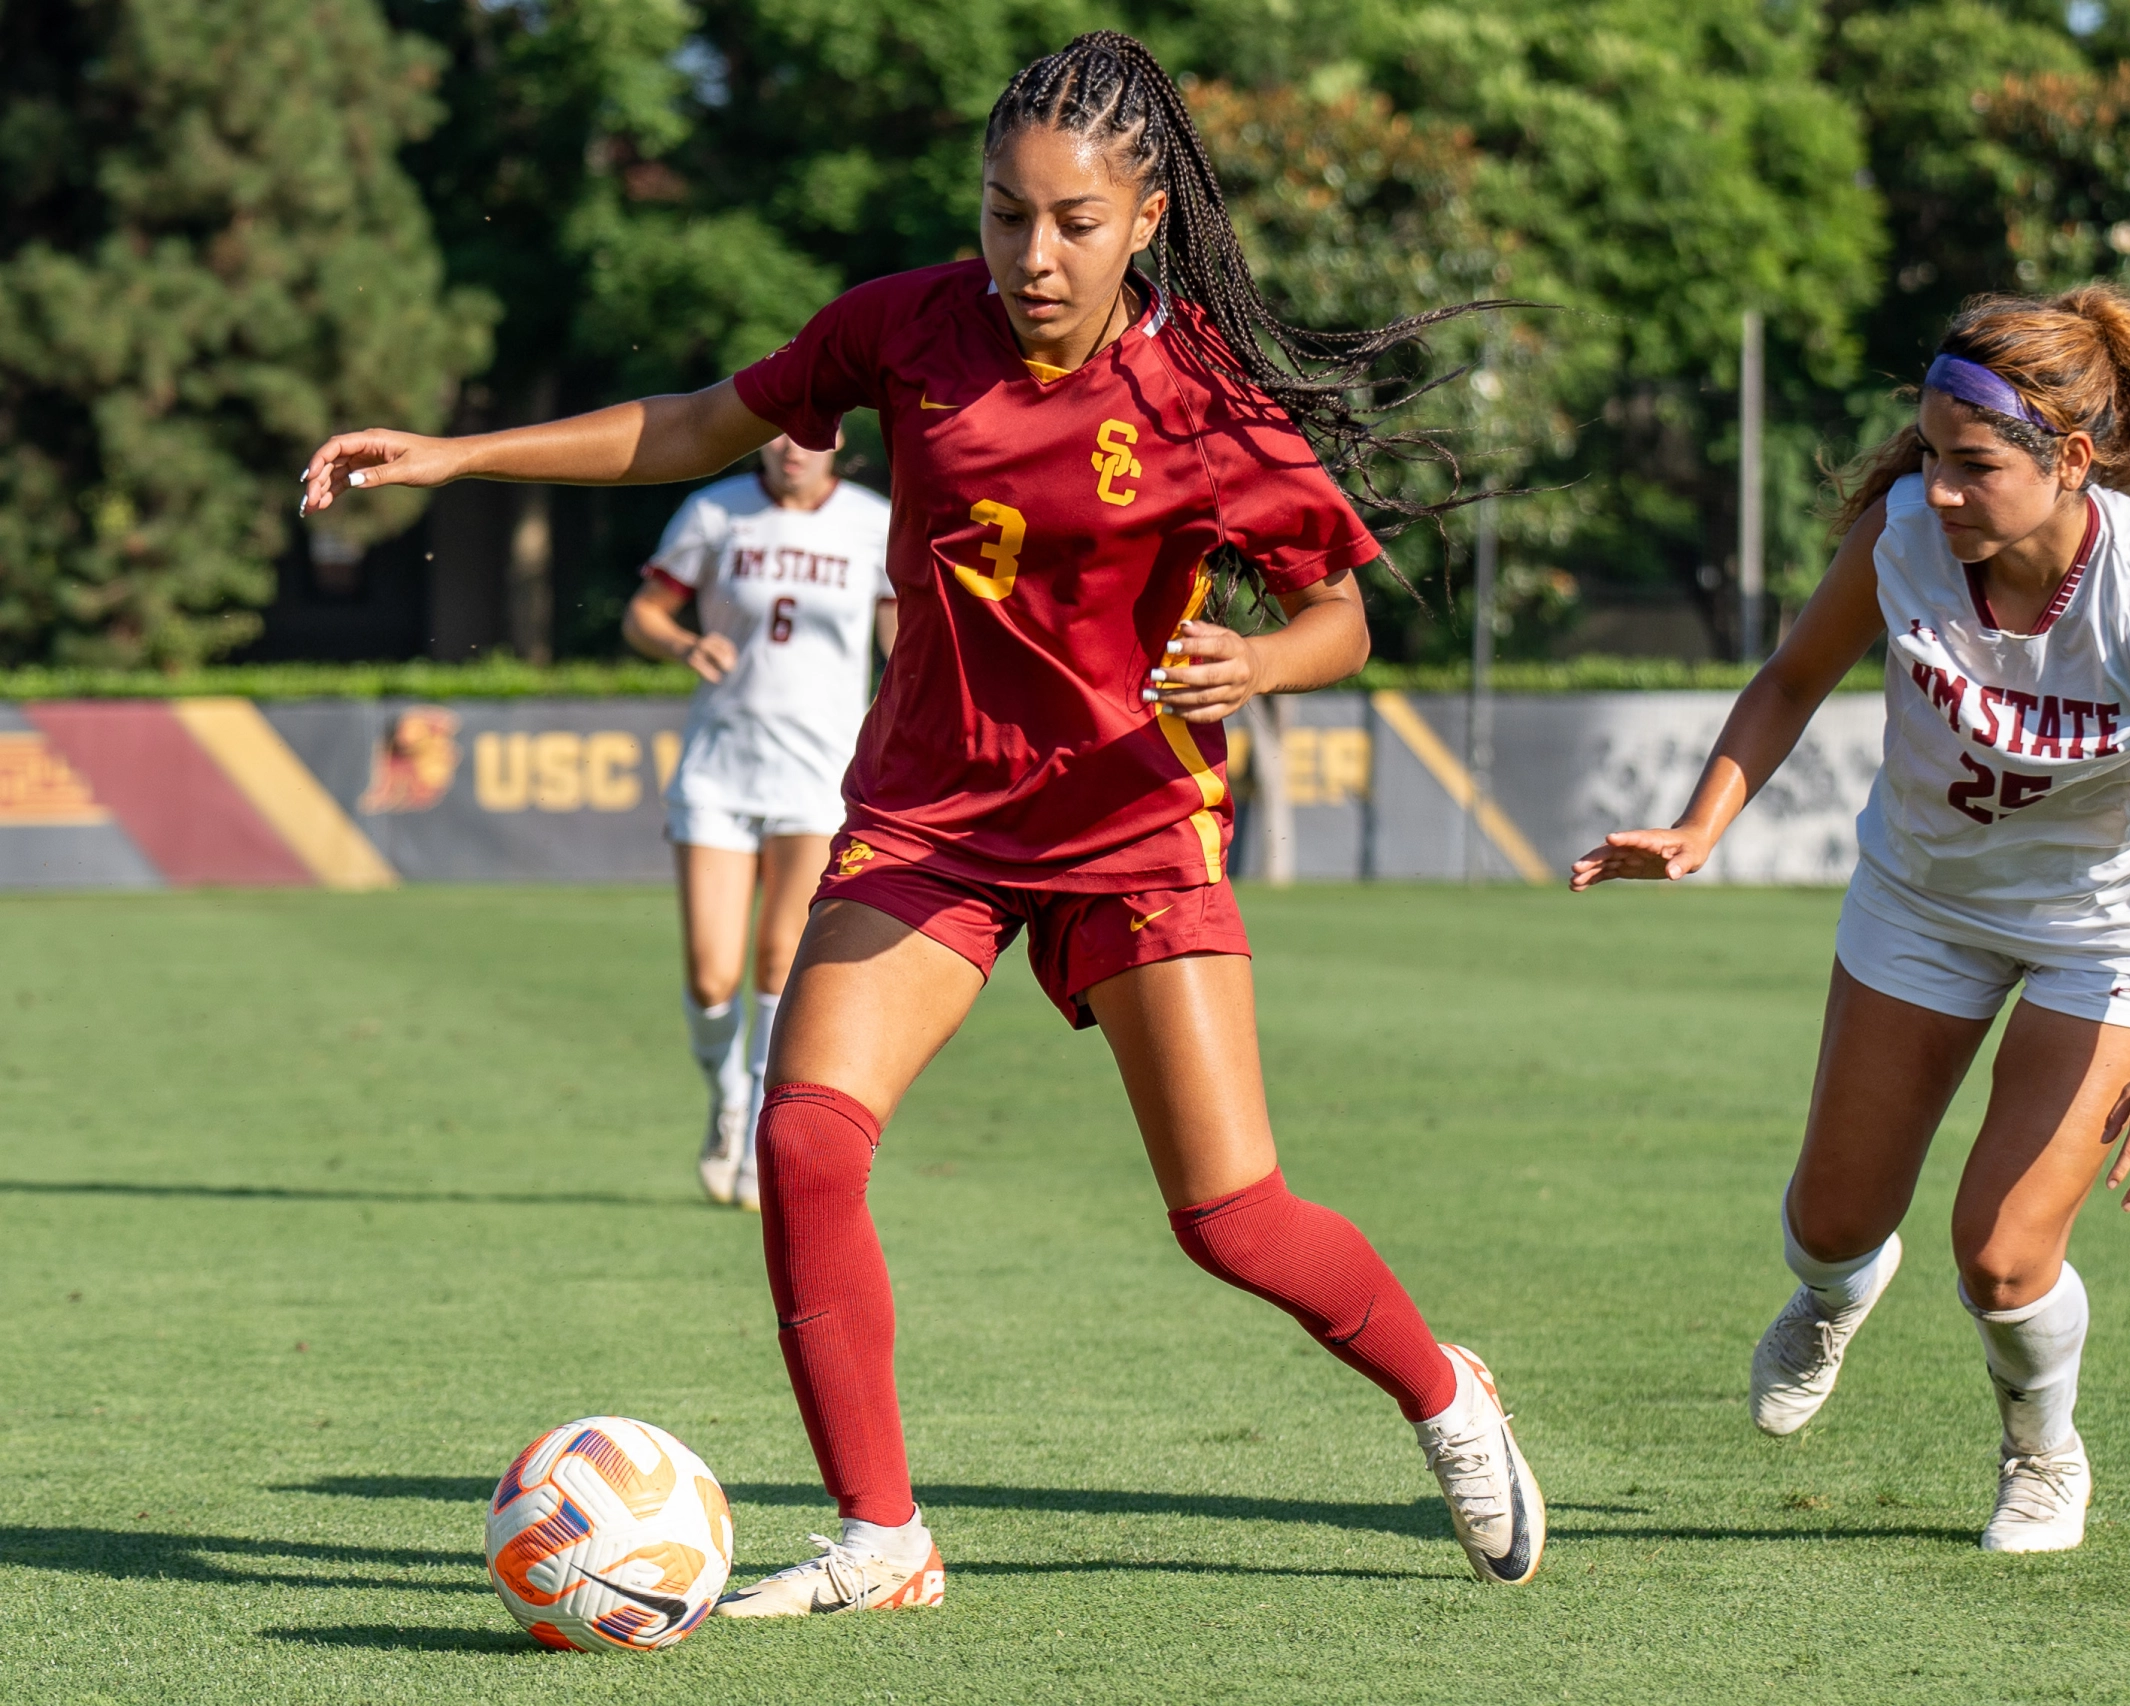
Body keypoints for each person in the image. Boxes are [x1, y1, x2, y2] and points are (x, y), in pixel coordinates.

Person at [300, 30, 1543, 1611]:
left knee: (1232, 1219)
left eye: (1072, 223)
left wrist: (1260, 659)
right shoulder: (901, 329)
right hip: (932, 817)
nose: (1032, 254)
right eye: (1004, 214)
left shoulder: (1207, 399)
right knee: (805, 1133)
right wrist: (455, 452)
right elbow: (694, 428)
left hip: (1134, 824)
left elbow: (1343, 618)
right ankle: (884, 1535)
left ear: (1146, 218)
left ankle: (1447, 1392)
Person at [1573, 287, 2130, 1554]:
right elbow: (1792, 676)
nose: (1938, 490)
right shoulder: (1901, 536)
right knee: (1831, 1220)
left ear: (2071, 460)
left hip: (2113, 928)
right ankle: (1834, 1290)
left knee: (2003, 1255)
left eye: (1973, 466)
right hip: (1925, 895)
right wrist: (1699, 827)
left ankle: (2040, 1455)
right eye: (1929, 455)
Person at [621, 429, 895, 1210]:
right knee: (712, 974)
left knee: (780, 960)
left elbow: (901, 638)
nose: (792, 449)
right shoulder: (716, 511)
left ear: (839, 443)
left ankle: (750, 1132)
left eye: (812, 435)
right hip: (718, 767)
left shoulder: (872, 521)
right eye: (777, 435)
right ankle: (726, 1096)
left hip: (819, 775)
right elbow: (643, 614)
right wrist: (680, 642)